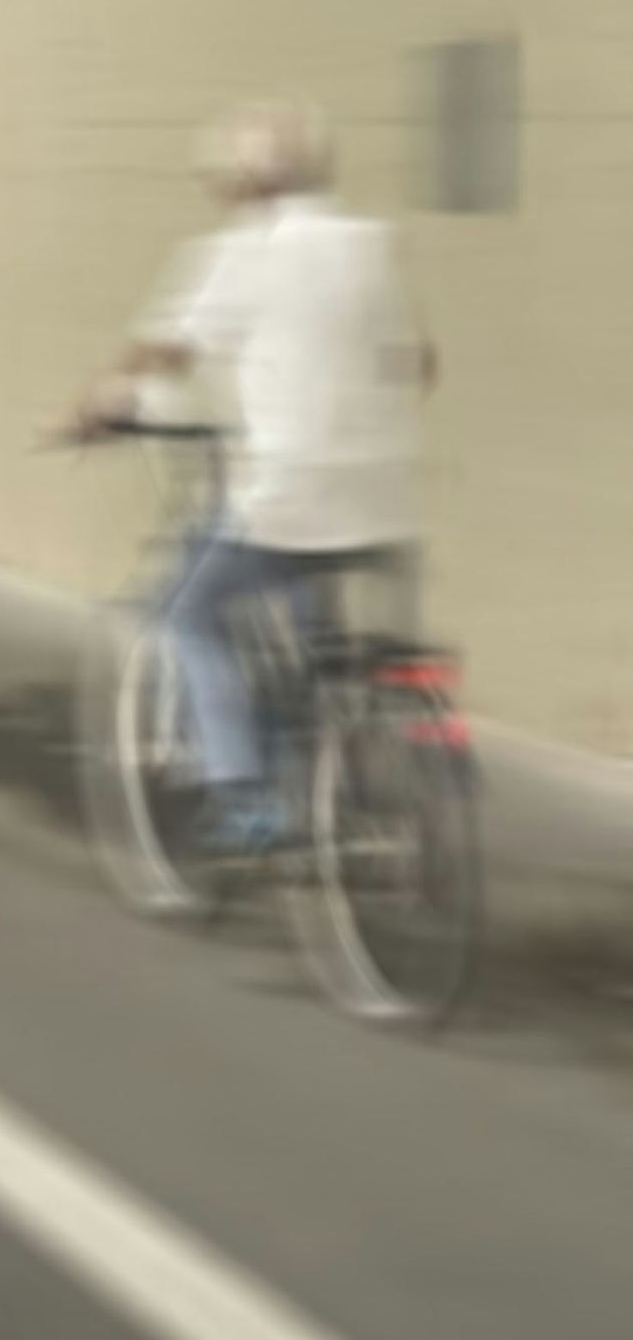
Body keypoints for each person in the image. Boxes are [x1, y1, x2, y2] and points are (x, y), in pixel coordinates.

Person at [81, 100, 432, 852]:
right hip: (383, 505)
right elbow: (418, 362)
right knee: (317, 627)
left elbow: (165, 351)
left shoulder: (244, 252)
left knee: (185, 612)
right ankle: (343, 759)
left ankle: (248, 796)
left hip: (284, 496)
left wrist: (97, 408)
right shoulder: (369, 246)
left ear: (242, 184)